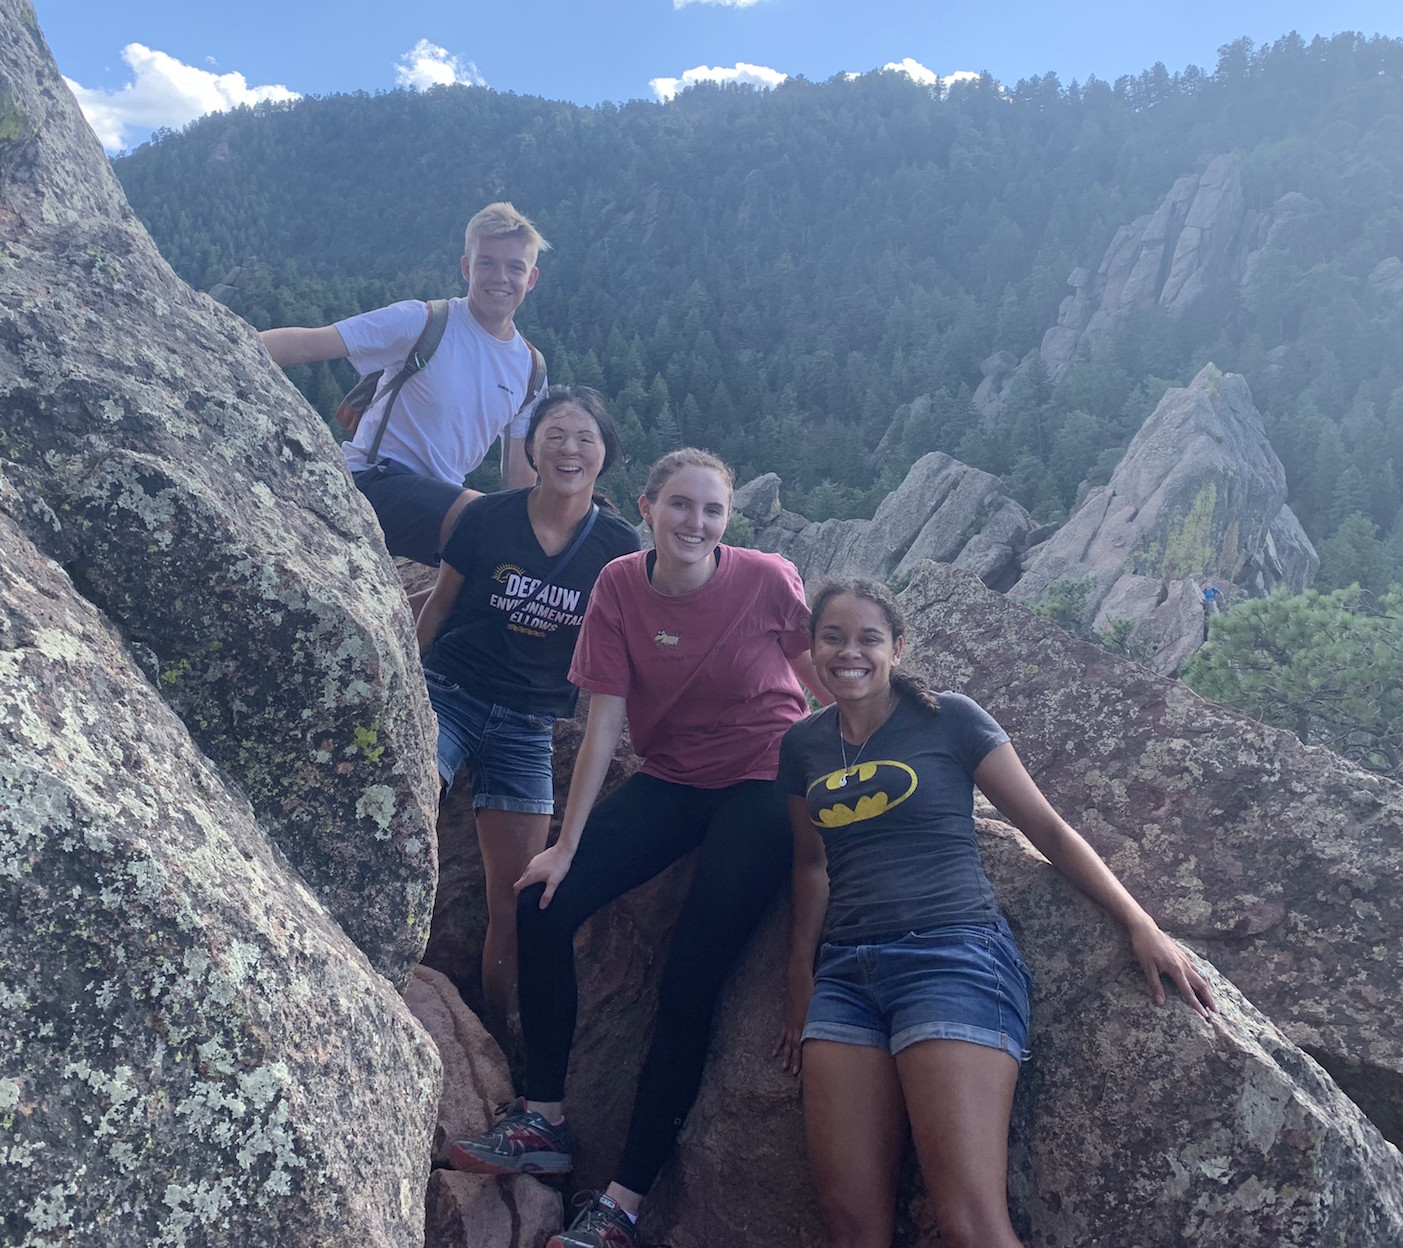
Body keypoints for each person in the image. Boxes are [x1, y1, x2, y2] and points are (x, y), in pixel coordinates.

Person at [448, 448, 825, 1248]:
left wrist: (867, 760)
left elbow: (821, 676)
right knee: (540, 901)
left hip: (764, 776)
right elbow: (604, 724)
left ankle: (619, 1204)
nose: (696, 523)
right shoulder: (619, 584)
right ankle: (544, 1118)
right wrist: (567, 844)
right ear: (648, 509)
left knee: (690, 976)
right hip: (676, 775)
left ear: (729, 520)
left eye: (712, 511)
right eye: (680, 506)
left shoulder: (766, 578)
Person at [774, 578, 1216, 1248]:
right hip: (845, 978)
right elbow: (811, 867)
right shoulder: (803, 746)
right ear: (811, 648)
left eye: (868, 638)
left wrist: (1139, 921)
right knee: (847, 1224)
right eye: (832, 637)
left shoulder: (947, 718)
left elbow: (1049, 830)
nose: (848, 652)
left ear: (897, 646)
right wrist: (799, 976)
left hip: (951, 959)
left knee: (969, 1222)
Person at [414, 386, 640, 1038]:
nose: (570, 448)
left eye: (585, 438)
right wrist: (401, 681)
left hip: (529, 726)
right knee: (403, 804)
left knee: (517, 902)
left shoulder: (617, 549)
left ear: (605, 455)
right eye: (557, 435)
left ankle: (493, 1041)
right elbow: (440, 605)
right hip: (448, 696)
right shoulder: (487, 518)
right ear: (533, 447)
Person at [258, 201, 550, 567]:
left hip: (442, 500)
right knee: (481, 520)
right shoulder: (424, 322)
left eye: (515, 267)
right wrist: (217, 339)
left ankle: (407, 623)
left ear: (532, 278)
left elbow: (519, 476)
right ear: (466, 268)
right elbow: (310, 343)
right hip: (372, 483)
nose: (500, 277)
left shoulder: (530, 370)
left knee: (501, 561)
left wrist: (528, 542)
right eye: (486, 262)